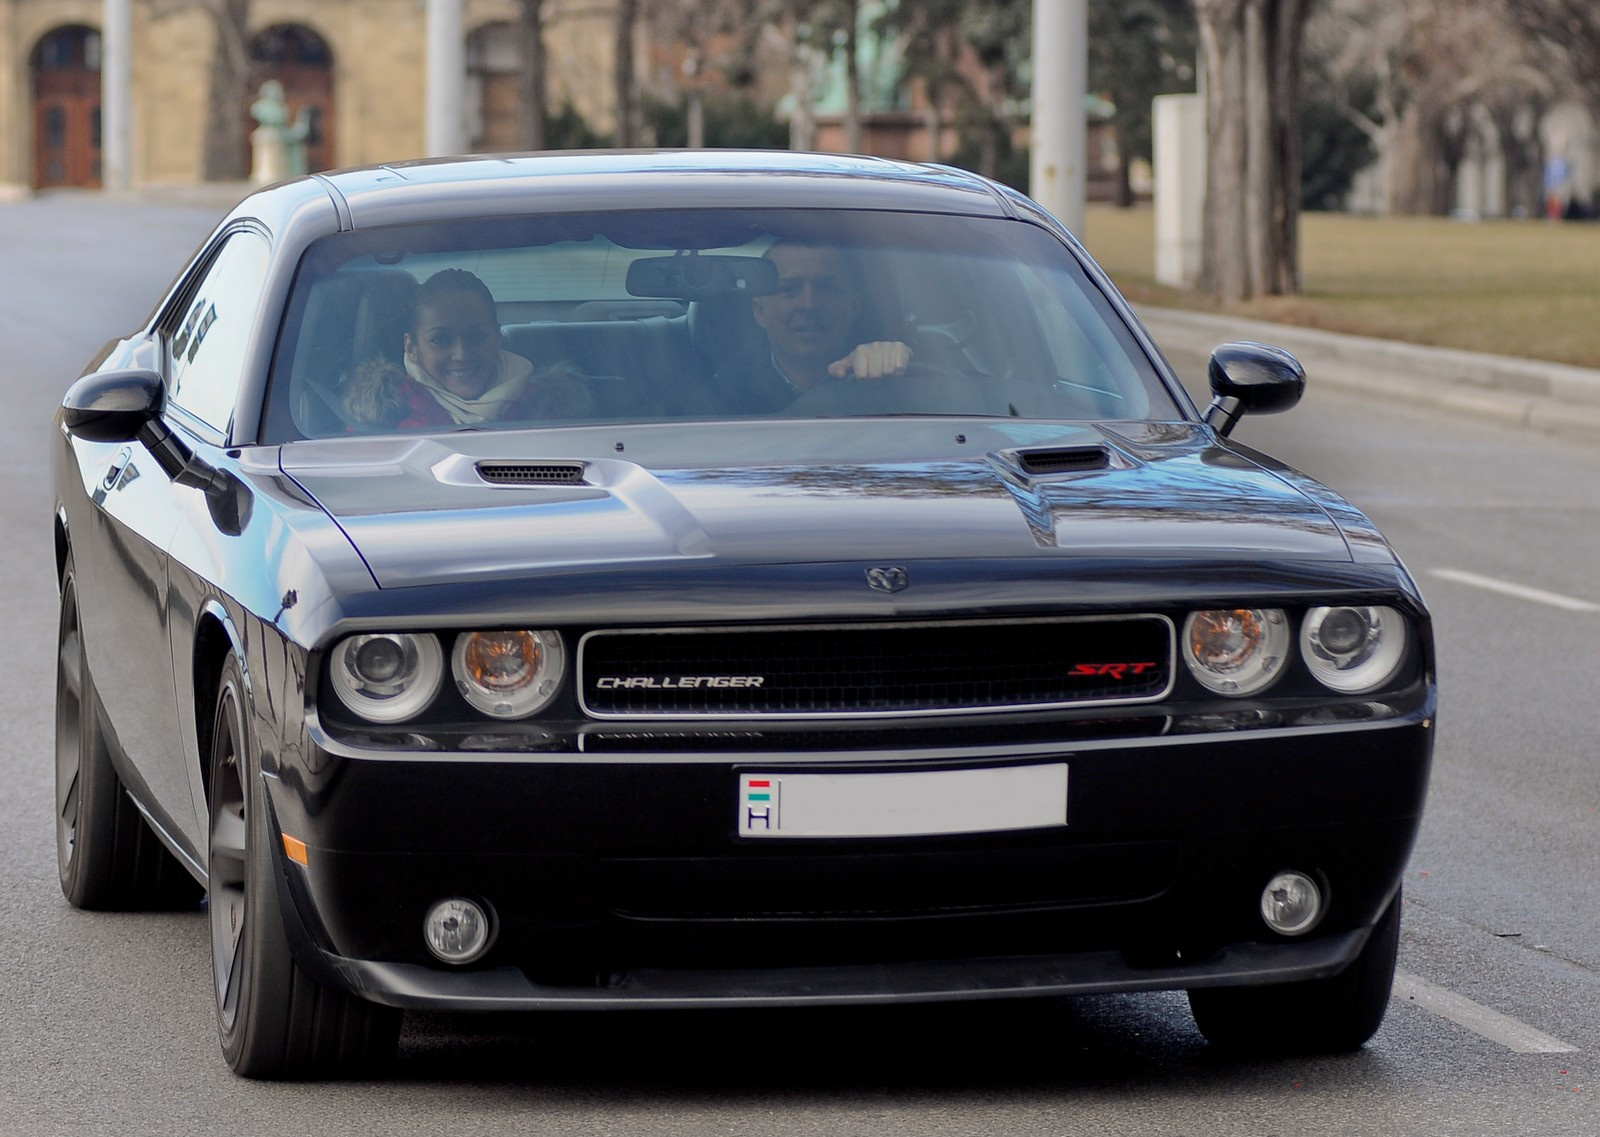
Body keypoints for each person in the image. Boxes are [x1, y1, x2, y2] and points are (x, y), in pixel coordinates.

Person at [343, 268, 590, 429]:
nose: (461, 355)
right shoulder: (377, 420)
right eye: (441, 340)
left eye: (476, 336)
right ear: (411, 347)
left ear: (497, 337)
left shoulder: (553, 414)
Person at [738, 239, 913, 408]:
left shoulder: (894, 382)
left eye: (826, 288)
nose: (809, 304)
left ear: (854, 305)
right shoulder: (722, 398)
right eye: (789, 289)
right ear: (760, 311)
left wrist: (898, 364)